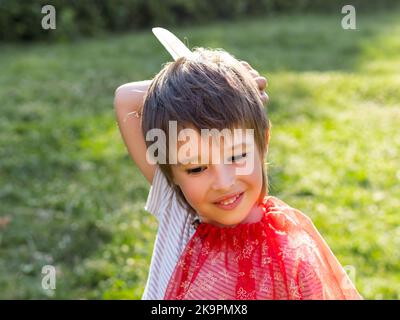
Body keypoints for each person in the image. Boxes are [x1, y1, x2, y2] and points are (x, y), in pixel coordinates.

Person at [114, 47, 361, 300]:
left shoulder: (289, 250)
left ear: (262, 143)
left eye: (236, 156)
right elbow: (125, 100)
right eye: (197, 168)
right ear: (171, 171)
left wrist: (235, 86)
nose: (223, 182)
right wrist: (206, 83)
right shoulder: (178, 209)